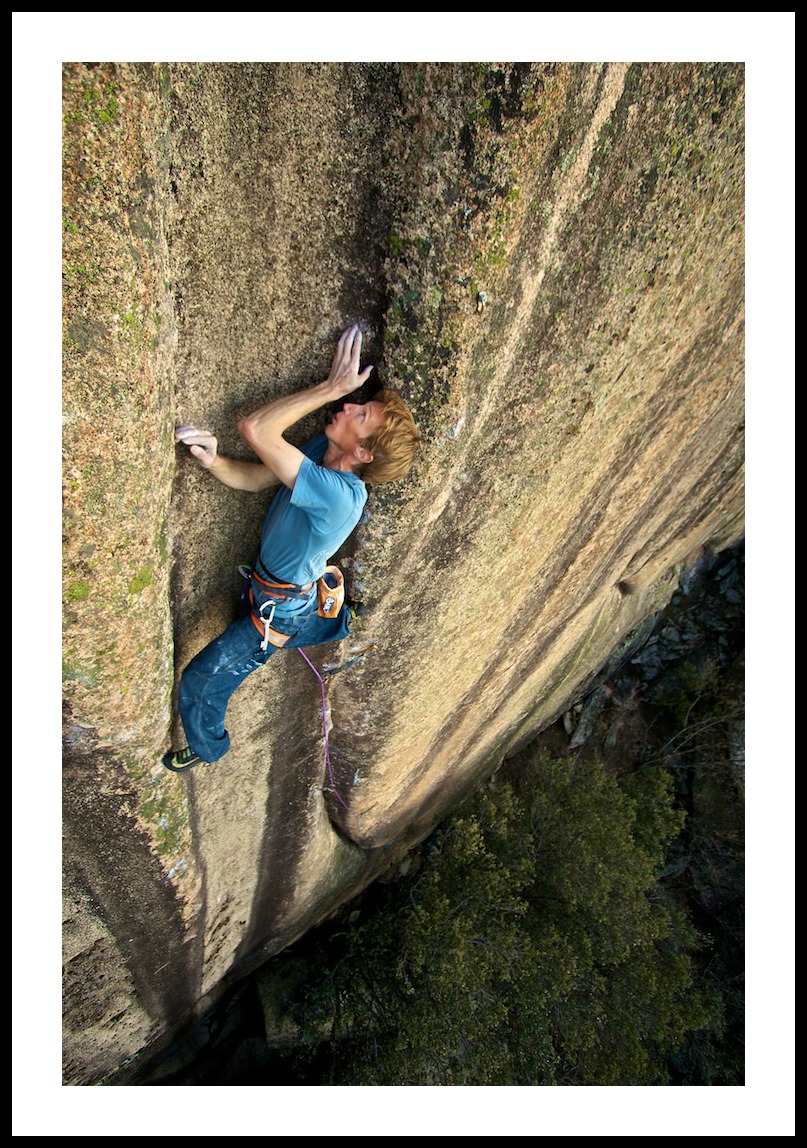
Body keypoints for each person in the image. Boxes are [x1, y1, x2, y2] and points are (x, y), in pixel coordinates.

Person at [162, 324, 419, 772]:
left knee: (201, 681)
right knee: (230, 658)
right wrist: (214, 460)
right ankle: (338, 618)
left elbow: (256, 428)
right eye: (356, 402)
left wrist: (330, 386)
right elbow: (261, 476)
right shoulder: (324, 450)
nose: (349, 404)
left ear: (364, 454)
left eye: (360, 415)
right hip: (274, 590)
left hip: (279, 609)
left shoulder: (342, 495)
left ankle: (208, 749)